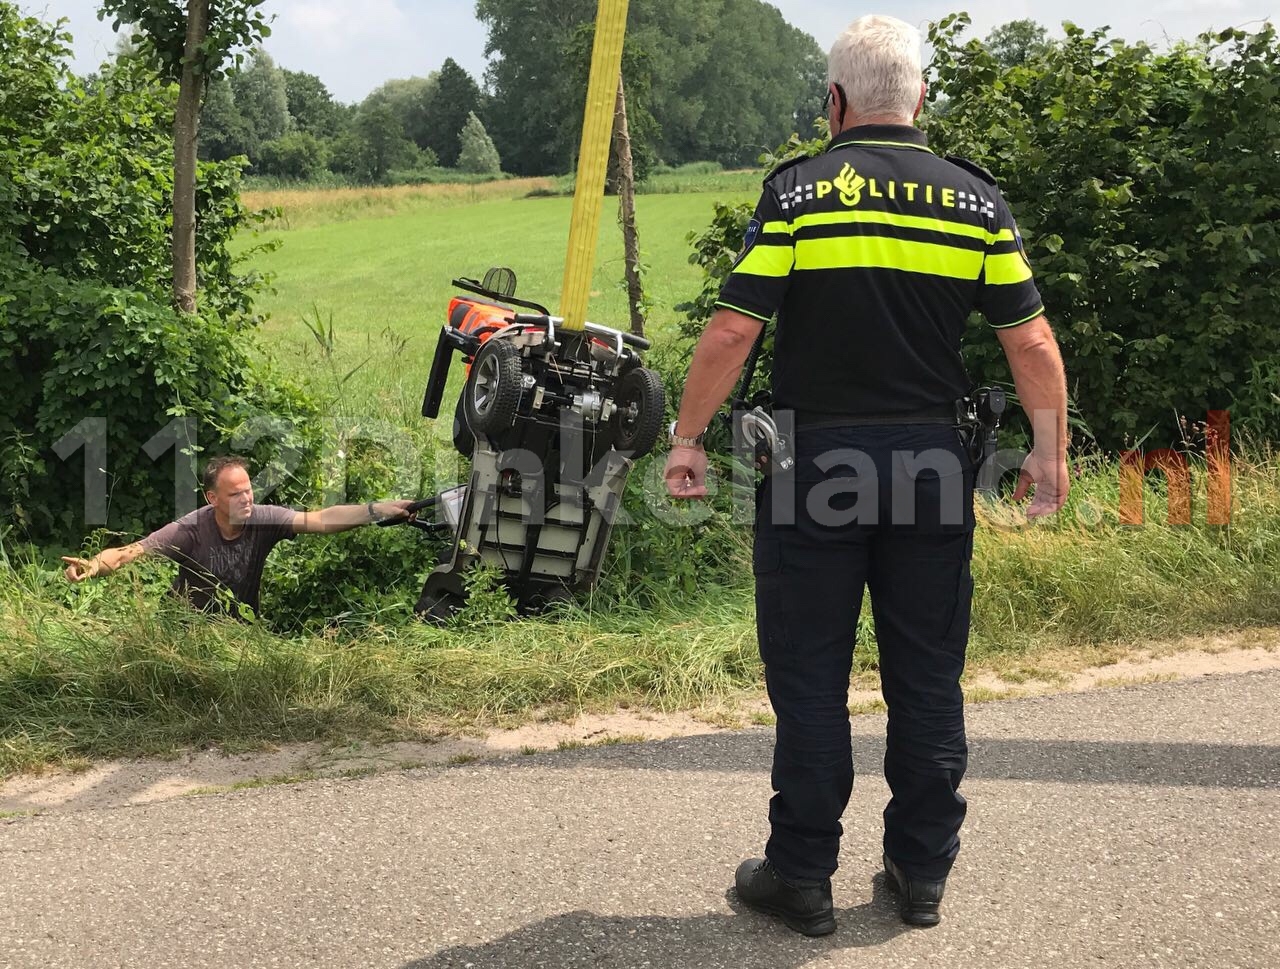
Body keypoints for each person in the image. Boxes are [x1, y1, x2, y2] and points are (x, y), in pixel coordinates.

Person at [663, 14, 1069, 935]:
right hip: (931, 464)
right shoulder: (973, 202)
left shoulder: (802, 192)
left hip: (814, 468)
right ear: (920, 98)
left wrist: (687, 438)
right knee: (928, 678)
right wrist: (1049, 450)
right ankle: (920, 873)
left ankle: (800, 875)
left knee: (810, 677)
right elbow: (1032, 339)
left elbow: (733, 330)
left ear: (835, 102)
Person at [62, 455, 415, 619]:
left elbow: (321, 519)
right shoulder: (189, 531)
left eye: (248, 490)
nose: (247, 498)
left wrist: (378, 510)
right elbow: (129, 553)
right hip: (186, 635)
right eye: (235, 494)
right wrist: (93, 566)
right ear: (212, 499)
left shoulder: (264, 519)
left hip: (242, 633)